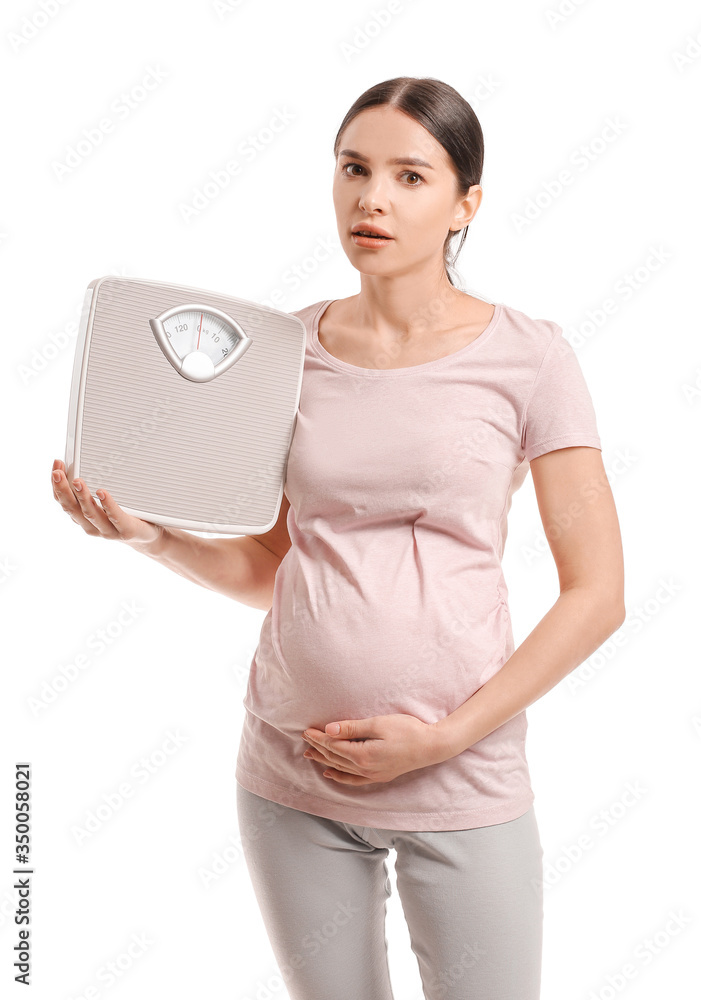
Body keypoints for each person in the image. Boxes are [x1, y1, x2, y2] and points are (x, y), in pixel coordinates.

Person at [51, 76, 625, 1000]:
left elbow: (597, 594)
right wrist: (149, 536)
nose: (372, 198)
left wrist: (443, 739)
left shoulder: (533, 358)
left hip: (462, 779)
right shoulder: (284, 351)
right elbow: (270, 567)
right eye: (354, 169)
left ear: (464, 203)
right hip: (290, 776)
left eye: (409, 176)